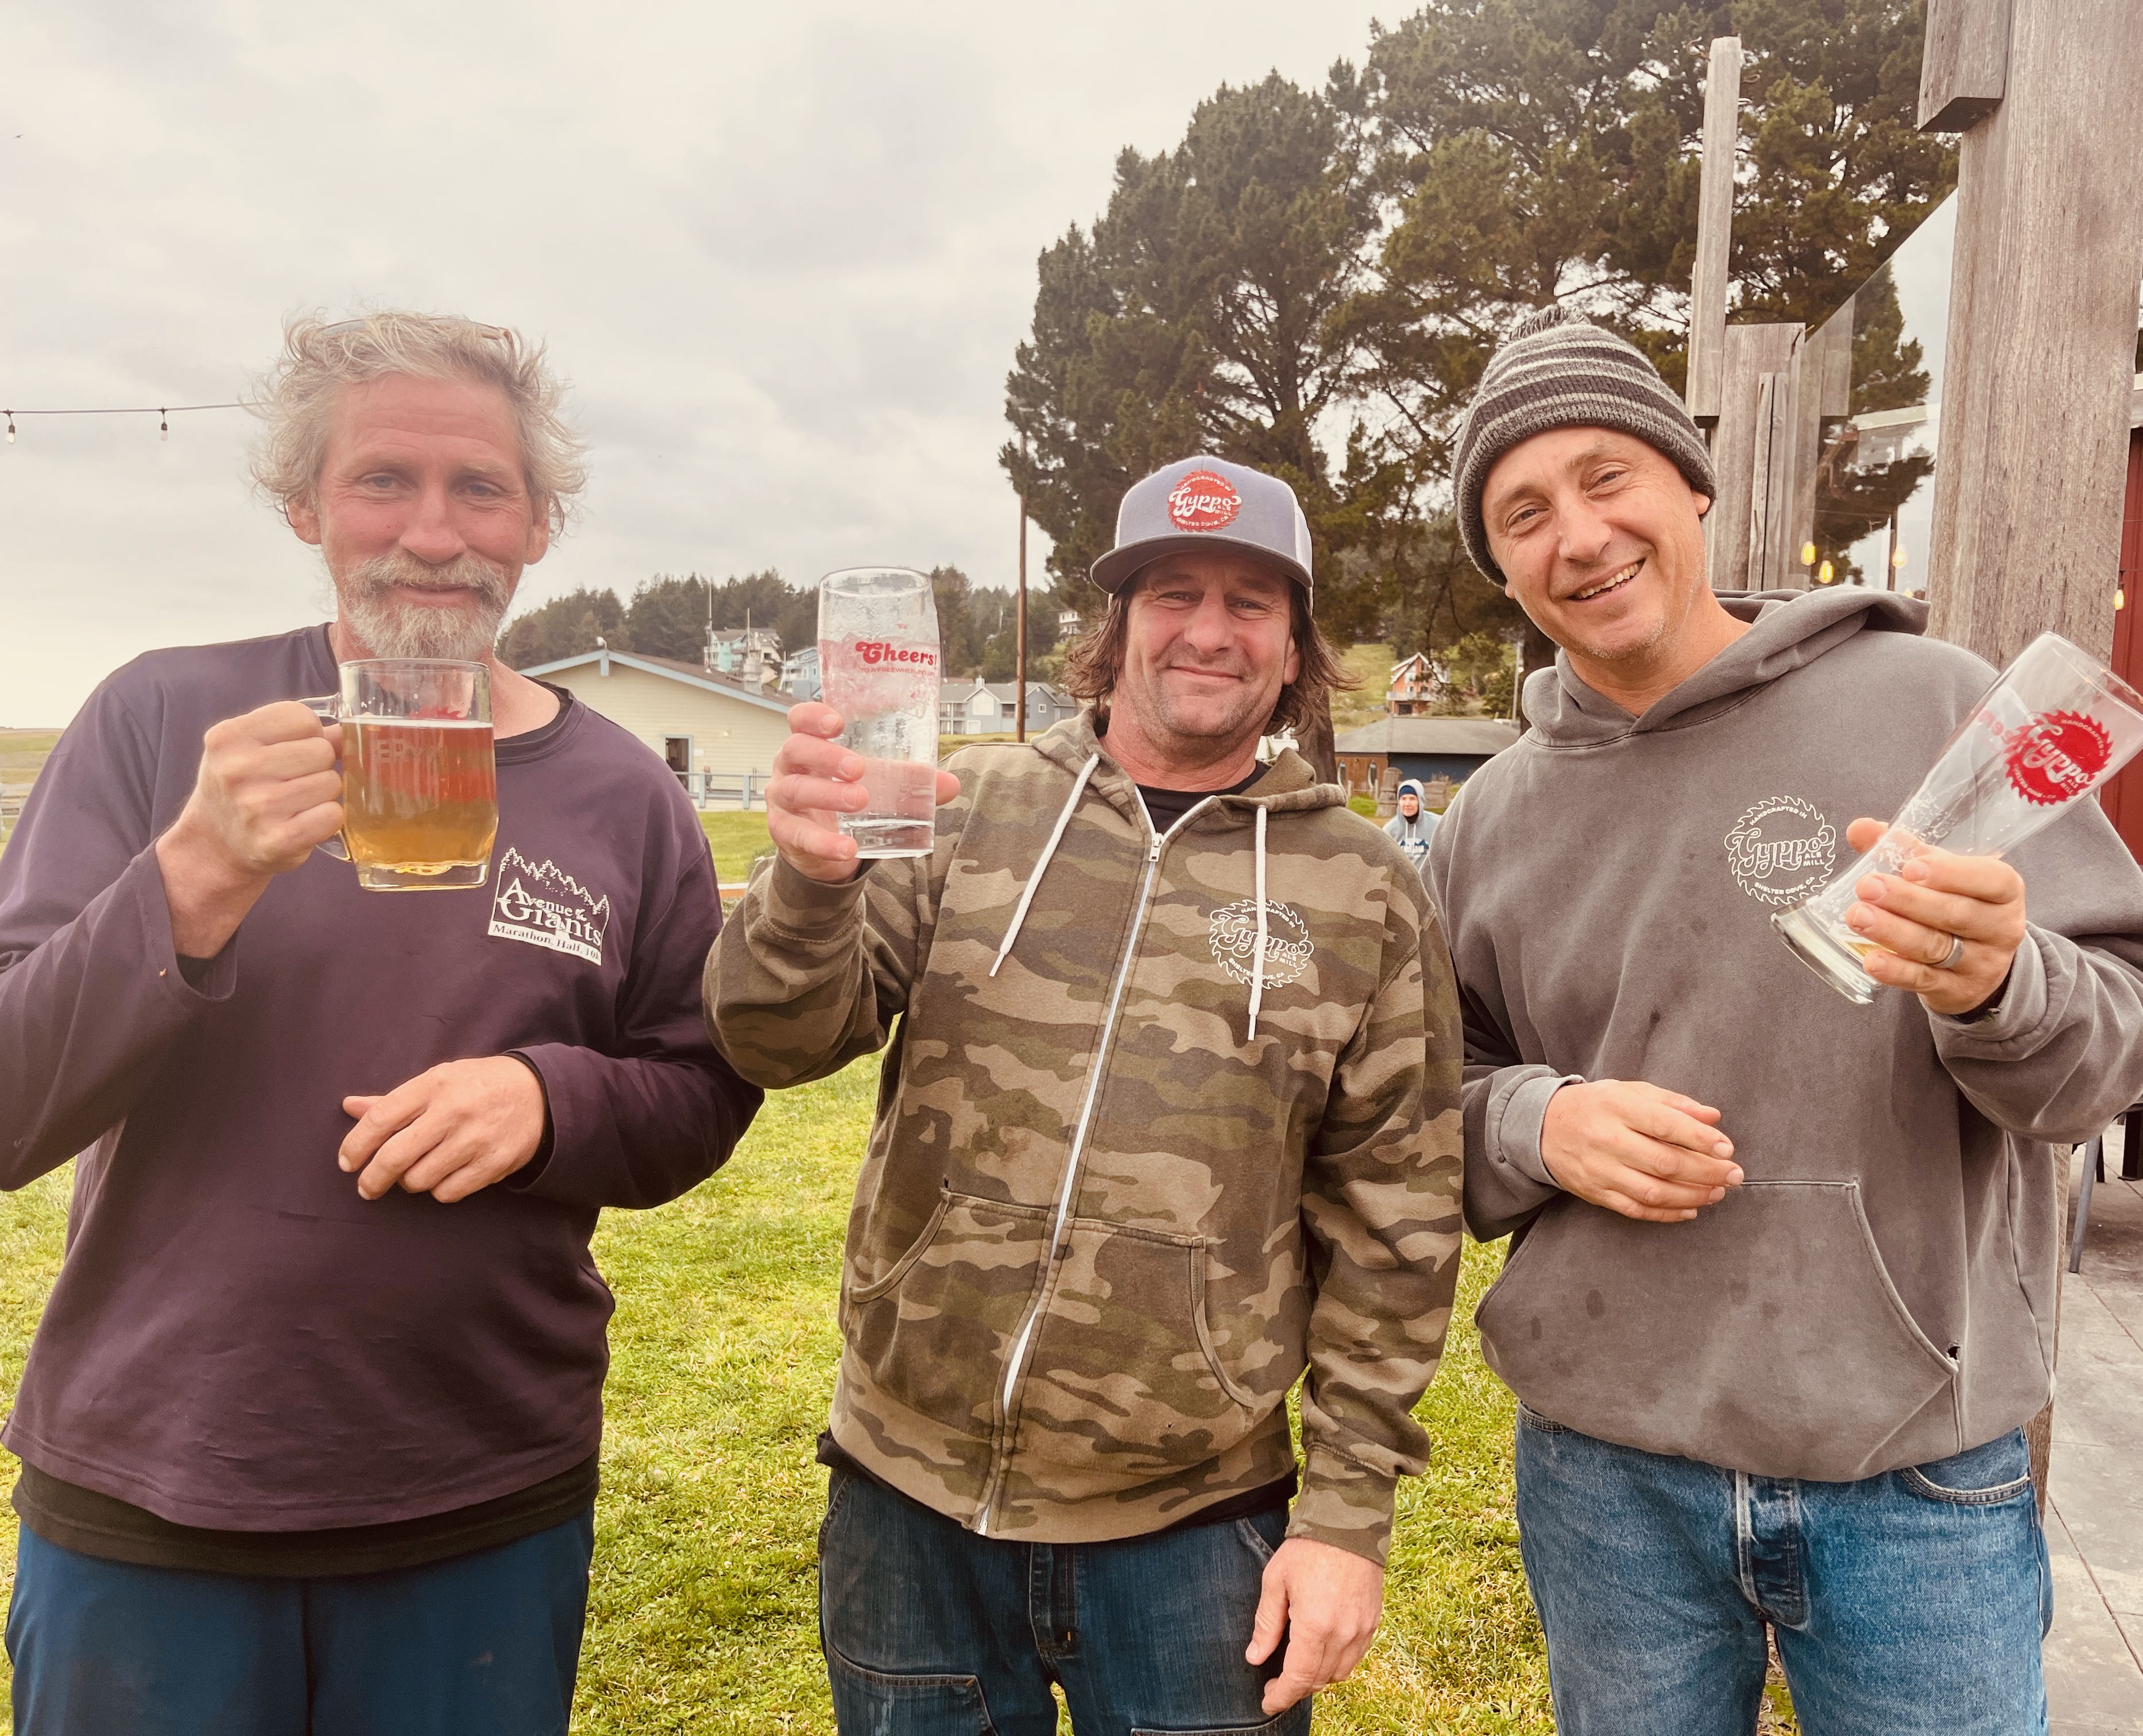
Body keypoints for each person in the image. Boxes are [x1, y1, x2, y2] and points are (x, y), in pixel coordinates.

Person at [1423, 307, 2143, 1735]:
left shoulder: (1938, 705)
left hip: (1916, 1473)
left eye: (1606, 478)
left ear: (1690, 484)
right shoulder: (1488, 823)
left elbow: (2122, 1045)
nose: (1577, 536)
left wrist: (1997, 984)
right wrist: (1537, 1123)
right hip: (1607, 1475)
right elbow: (1414, 1109)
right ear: (1503, 568)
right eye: (1522, 515)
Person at [0, 312, 761, 1736]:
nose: (432, 533)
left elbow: (701, 1090)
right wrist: (191, 877)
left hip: (480, 1498)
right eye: (382, 481)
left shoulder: (623, 794)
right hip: (154, 1492)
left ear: (538, 525)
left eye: (481, 489)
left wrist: (552, 1103)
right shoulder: (165, 719)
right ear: (305, 505)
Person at [705, 454, 1463, 1735]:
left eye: (1250, 602)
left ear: (1294, 649)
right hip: (907, 1507)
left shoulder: (1363, 887)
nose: (1208, 630)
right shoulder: (965, 809)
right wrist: (808, 890)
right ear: (1114, 628)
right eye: (1172, 594)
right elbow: (772, 1039)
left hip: (1194, 1533)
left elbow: (1399, 1221)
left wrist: (1345, 1517)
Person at [1382, 778, 1440, 866]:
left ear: (1420, 801)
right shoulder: (1389, 830)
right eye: (1404, 799)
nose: (1407, 804)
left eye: (1412, 799)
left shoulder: (1437, 824)